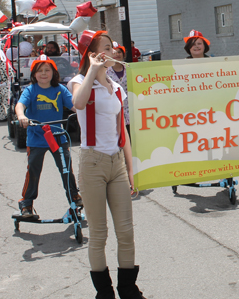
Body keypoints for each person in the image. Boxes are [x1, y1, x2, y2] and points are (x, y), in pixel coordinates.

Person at [67, 30, 145, 299]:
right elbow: (78, 103)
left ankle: (128, 288)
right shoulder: (79, 81)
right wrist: (93, 70)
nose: (113, 52)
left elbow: (121, 130)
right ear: (92, 54)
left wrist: (131, 167)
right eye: (107, 48)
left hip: (116, 163)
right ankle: (105, 293)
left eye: (113, 48)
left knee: (126, 230)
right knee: (99, 233)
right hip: (93, 162)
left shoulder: (117, 88)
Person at [15, 55, 82, 217]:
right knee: (33, 171)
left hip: (58, 137)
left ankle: (74, 198)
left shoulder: (59, 89)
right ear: (34, 74)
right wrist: (21, 116)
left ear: (53, 73)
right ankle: (26, 204)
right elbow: (20, 105)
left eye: (47, 70)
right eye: (40, 71)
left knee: (66, 170)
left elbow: (74, 105)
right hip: (37, 138)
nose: (44, 74)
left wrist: (83, 112)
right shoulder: (30, 90)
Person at [106, 42, 131, 137]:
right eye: (114, 52)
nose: (117, 54)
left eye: (119, 52)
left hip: (131, 111)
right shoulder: (105, 72)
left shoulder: (130, 69)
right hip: (114, 112)